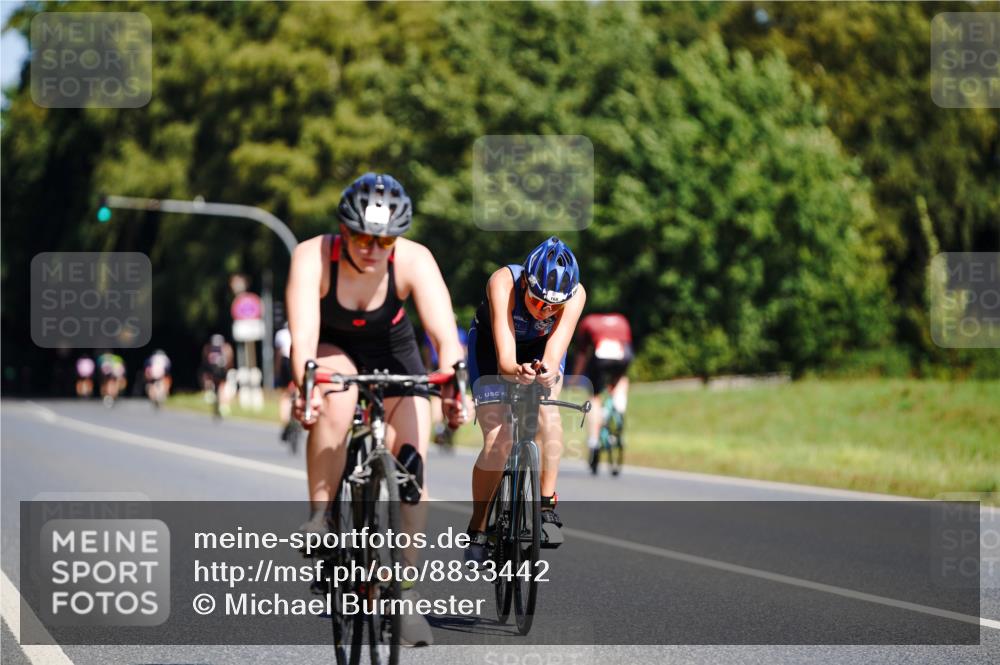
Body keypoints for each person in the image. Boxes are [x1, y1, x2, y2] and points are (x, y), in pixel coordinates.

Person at [285, 172, 467, 646]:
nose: (372, 248)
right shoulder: (312, 256)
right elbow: (303, 334)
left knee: (412, 468)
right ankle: (322, 515)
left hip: (394, 351)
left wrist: (453, 386)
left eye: (384, 239)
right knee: (335, 404)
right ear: (343, 231)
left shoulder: (413, 260)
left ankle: (404, 594)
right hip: (333, 345)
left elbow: (445, 337)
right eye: (362, 237)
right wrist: (306, 386)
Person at [463, 237, 585, 565]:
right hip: (492, 348)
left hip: (539, 349)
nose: (545, 309)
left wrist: (545, 373)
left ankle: (545, 506)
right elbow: (505, 360)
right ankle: (478, 527)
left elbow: (555, 350)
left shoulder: (576, 296)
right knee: (499, 439)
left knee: (548, 413)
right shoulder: (503, 282)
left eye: (553, 306)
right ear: (525, 284)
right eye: (538, 300)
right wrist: (516, 371)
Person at [571, 312, 633, 474]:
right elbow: (628, 345)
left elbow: (582, 354)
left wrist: (576, 378)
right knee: (621, 380)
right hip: (623, 355)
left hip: (600, 357)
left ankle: (593, 440)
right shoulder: (621, 319)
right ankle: (619, 408)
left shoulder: (588, 322)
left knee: (594, 396)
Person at [422, 323, 468, 449]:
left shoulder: (430, 328)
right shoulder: (460, 331)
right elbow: (463, 351)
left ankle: (441, 428)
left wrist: (427, 367)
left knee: (439, 399)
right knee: (444, 399)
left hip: (439, 366)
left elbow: (427, 350)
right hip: (449, 366)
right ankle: (443, 428)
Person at [200, 334, 234, 415]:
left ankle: (209, 392)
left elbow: (205, 362)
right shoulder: (226, 347)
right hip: (222, 373)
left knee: (209, 379)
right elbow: (230, 359)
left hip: (212, 373)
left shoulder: (208, 348)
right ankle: (223, 406)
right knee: (222, 387)